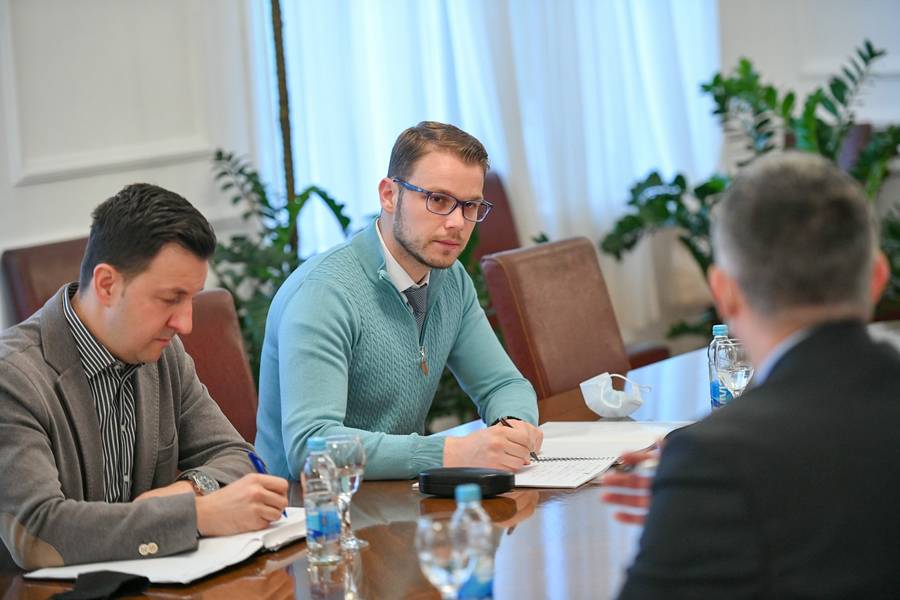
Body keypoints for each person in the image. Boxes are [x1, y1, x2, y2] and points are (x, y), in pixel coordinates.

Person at [610, 152, 900, 598]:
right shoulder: (716, 465)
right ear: (878, 277)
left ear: (724, 293)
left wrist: (697, 505)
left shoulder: (715, 459)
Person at [0, 184, 289, 570]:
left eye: (192, 298)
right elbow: (39, 534)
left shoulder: (163, 354)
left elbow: (239, 456)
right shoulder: (12, 378)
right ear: (107, 284)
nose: (185, 323)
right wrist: (195, 515)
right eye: (171, 299)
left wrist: (188, 490)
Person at [255, 121, 542, 480]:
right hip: (309, 507)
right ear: (389, 195)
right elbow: (312, 447)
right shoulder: (323, 293)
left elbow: (503, 385)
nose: (457, 222)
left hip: (399, 499)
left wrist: (512, 430)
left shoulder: (450, 279)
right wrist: (452, 452)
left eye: (470, 206)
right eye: (438, 200)